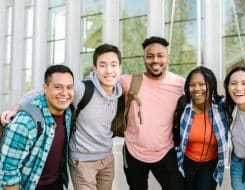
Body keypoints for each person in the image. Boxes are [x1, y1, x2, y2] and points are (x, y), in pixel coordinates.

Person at [0, 44, 123, 190]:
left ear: (120, 67)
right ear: (95, 69)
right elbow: (42, 91)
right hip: (82, 161)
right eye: (103, 65)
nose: (109, 70)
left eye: (113, 65)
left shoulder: (119, 92)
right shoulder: (82, 89)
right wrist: (16, 108)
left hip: (105, 158)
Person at [119, 36, 185, 190]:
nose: (155, 60)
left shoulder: (180, 84)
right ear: (144, 59)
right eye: (150, 56)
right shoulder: (128, 82)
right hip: (133, 151)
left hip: (166, 151)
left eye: (160, 55)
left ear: (168, 58)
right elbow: (103, 86)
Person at [0, 64, 74, 190]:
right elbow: (8, 174)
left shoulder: (68, 112)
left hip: (56, 183)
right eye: (57, 87)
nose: (65, 93)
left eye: (69, 87)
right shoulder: (26, 123)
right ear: (45, 88)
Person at [175, 66, 228, 190]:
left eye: (201, 84)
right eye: (192, 85)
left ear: (211, 85)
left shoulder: (222, 107)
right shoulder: (184, 105)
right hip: (186, 161)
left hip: (209, 165)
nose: (196, 89)